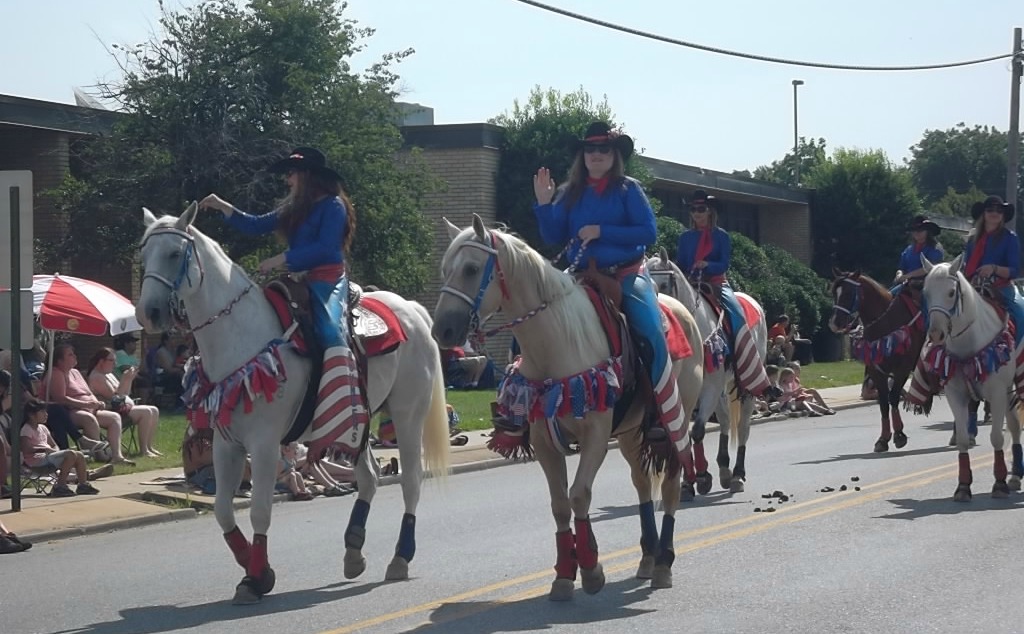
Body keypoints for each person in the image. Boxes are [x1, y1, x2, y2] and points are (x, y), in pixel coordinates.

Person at [200, 146, 368, 461]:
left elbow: (327, 248)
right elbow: (256, 224)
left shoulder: (334, 206)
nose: (287, 179)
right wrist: (225, 208)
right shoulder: (295, 207)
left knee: (331, 332)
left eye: (291, 173)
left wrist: (283, 258)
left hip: (326, 280)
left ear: (307, 176)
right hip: (297, 279)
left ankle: (344, 405)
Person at [532, 121, 684, 442]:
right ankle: (529, 409)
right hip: (579, 276)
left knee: (649, 328)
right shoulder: (568, 193)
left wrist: (602, 231)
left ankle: (658, 411)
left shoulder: (629, 190)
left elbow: (648, 232)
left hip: (625, 274)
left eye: (603, 149)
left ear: (614, 155)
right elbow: (551, 235)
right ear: (583, 155)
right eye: (590, 149)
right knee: (537, 317)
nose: (596, 155)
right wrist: (544, 205)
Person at [676, 190, 769, 396]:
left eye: (701, 209)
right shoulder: (685, 237)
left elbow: (724, 264)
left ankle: (747, 366)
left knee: (736, 313)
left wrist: (707, 264)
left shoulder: (721, 236)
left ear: (710, 212)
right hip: (691, 284)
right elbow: (680, 263)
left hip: (717, 283)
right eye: (693, 210)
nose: (696, 214)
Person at [43, 343, 134, 465]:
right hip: (69, 411)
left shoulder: (75, 372)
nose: (75, 356)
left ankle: (117, 455)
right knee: (88, 419)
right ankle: (100, 454)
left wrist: (96, 402)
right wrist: (87, 405)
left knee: (114, 418)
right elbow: (61, 399)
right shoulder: (56, 373)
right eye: (70, 354)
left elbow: (87, 392)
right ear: (59, 360)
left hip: (89, 407)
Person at [962, 195, 1024, 347]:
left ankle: (1017, 355)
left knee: (1021, 314)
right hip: (973, 286)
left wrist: (994, 268)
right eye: (990, 209)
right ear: (984, 213)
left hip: (1001, 288)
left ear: (1003, 215)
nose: (995, 213)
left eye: (999, 210)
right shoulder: (972, 239)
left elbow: (1014, 271)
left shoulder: (1010, 238)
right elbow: (966, 265)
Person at [86, 348, 163, 457]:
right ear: (101, 361)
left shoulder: (109, 374)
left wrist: (129, 379)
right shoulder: (96, 377)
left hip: (121, 407)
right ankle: (144, 450)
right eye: (111, 360)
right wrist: (124, 379)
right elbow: (115, 398)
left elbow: (125, 393)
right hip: (110, 410)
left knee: (154, 410)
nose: (115, 364)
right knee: (146, 412)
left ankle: (149, 447)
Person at [20, 399, 101, 497]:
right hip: (36, 460)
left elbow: (53, 444)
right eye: (42, 412)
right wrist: (43, 450)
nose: (46, 414)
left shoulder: (43, 428)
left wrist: (56, 451)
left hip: (48, 456)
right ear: (31, 415)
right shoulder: (26, 429)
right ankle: (60, 486)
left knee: (79, 455)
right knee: (70, 454)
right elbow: (26, 449)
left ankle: (83, 484)